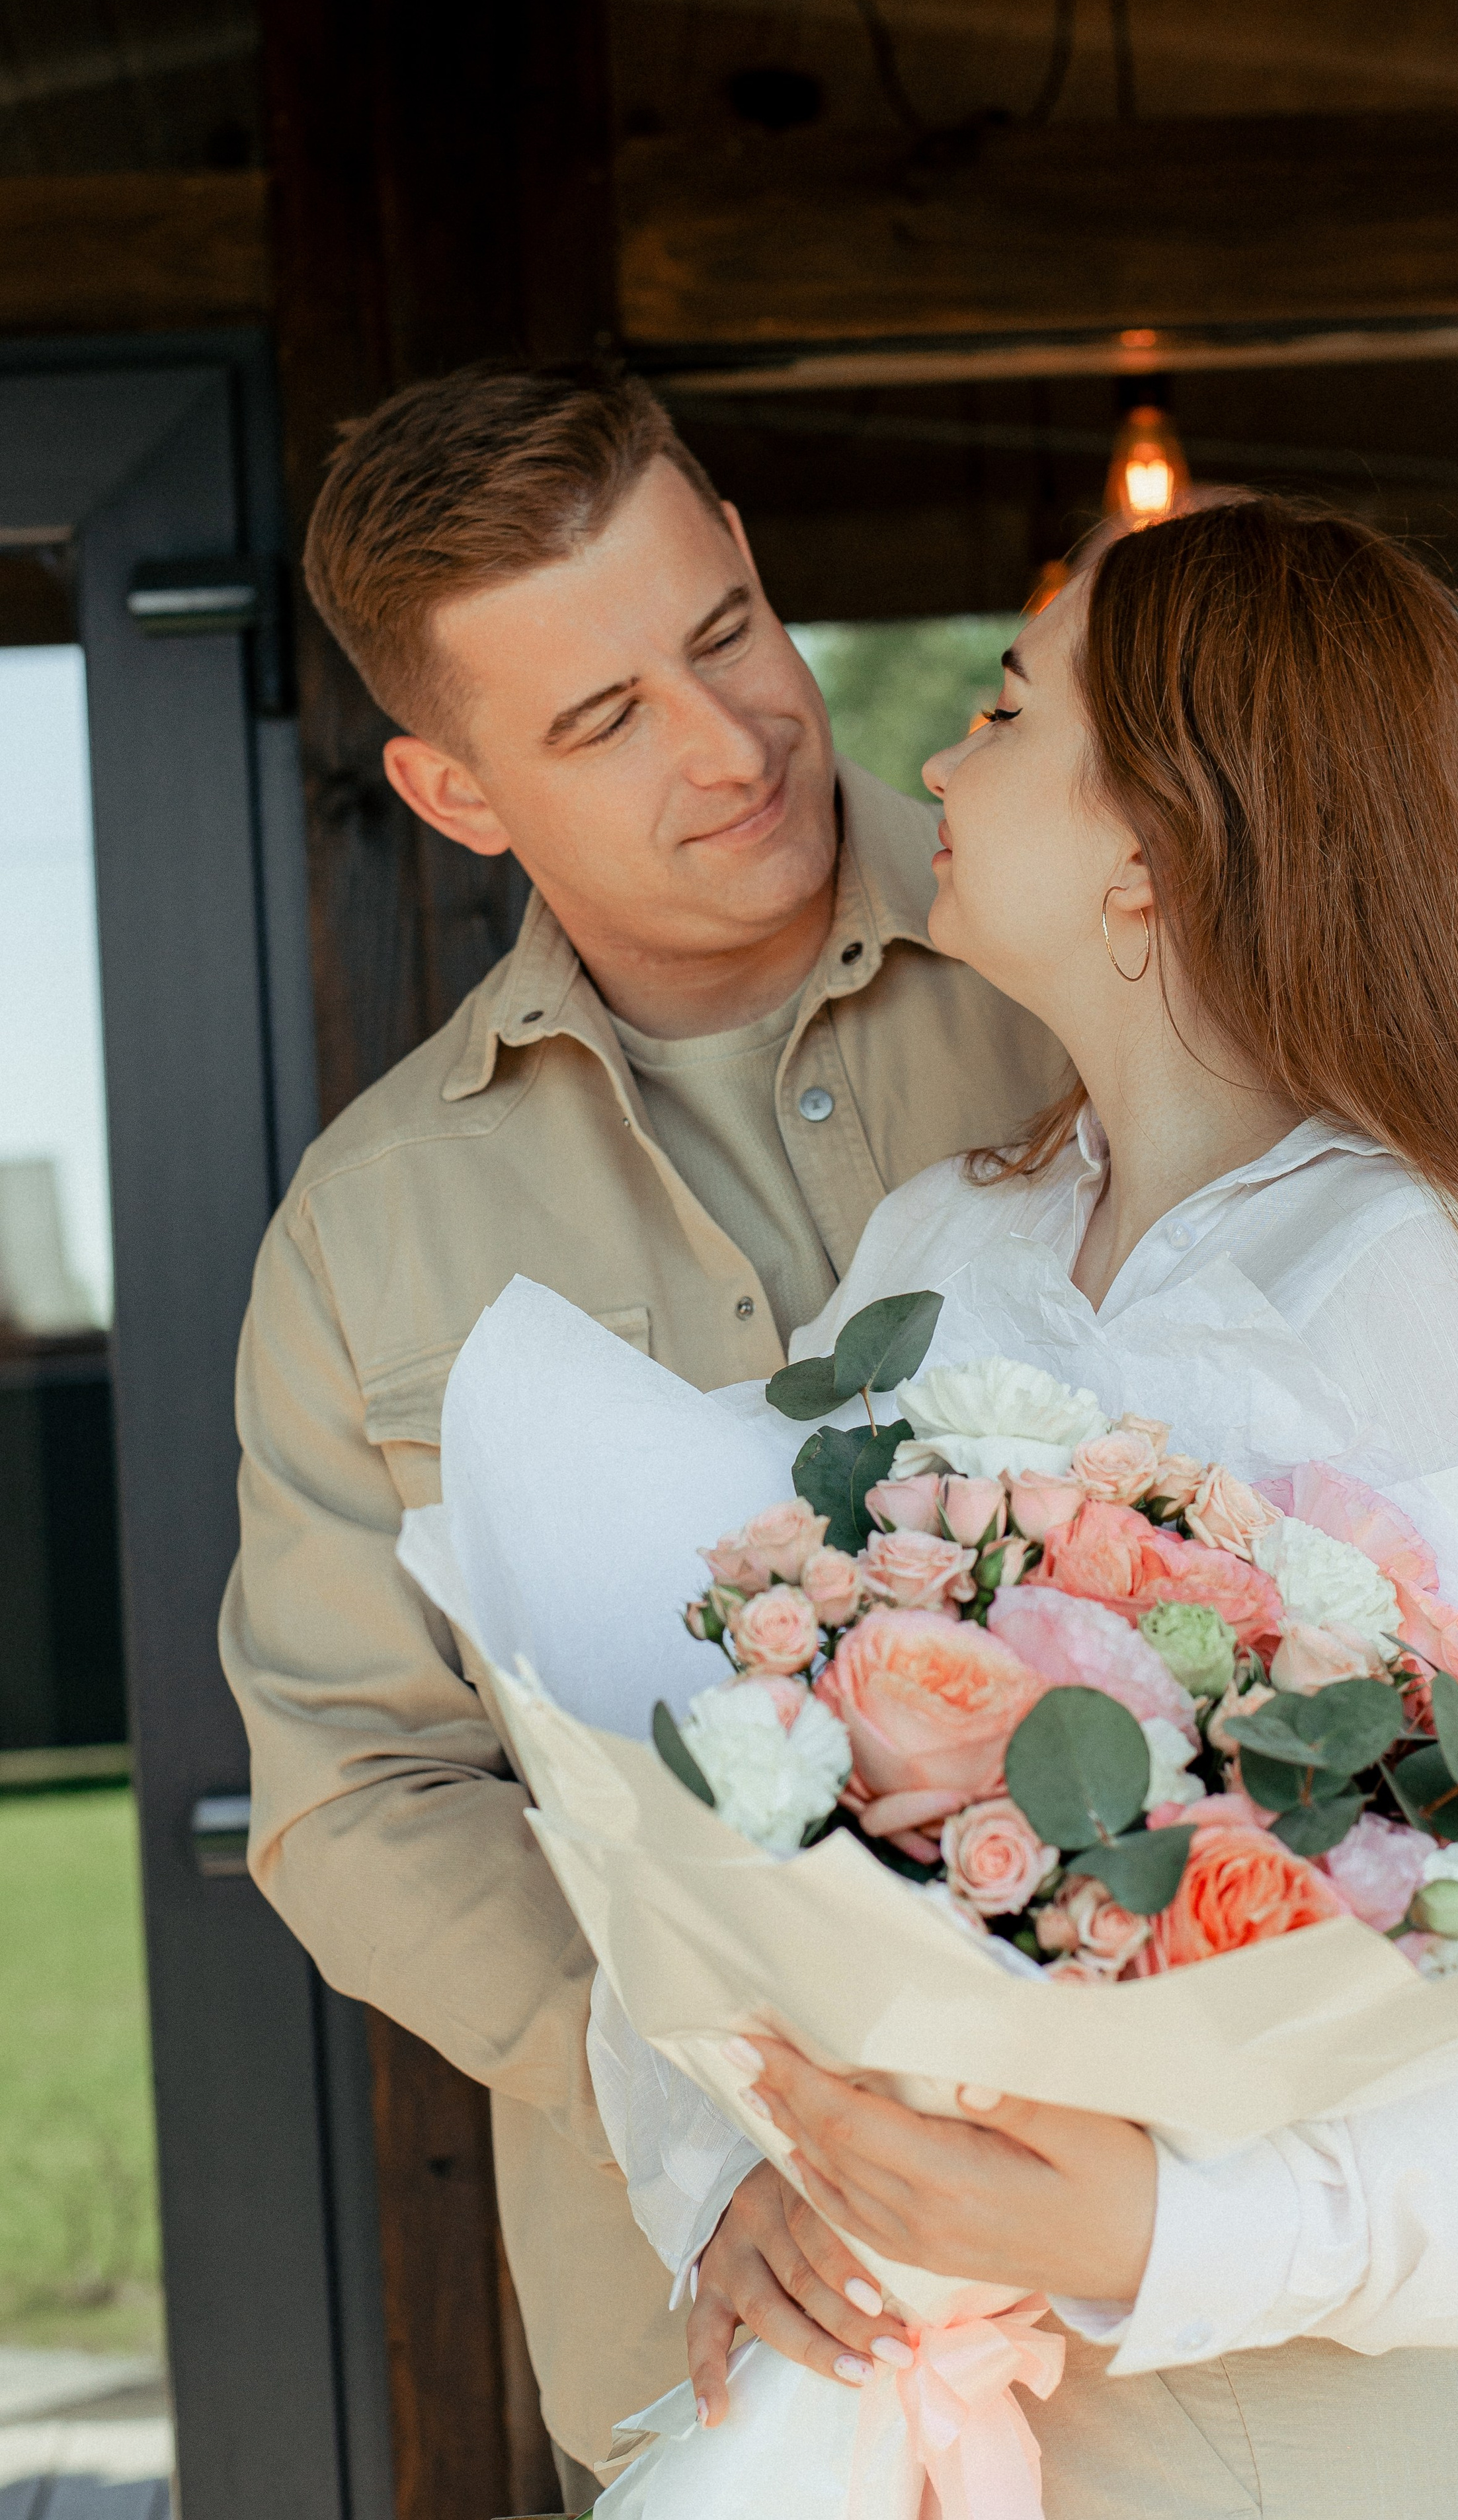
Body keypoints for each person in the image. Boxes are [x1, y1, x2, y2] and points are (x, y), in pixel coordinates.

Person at [673, 499, 1458, 2514]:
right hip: (907, 2388)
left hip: (1283, 2424)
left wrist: (1154, 2227)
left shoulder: (1432, 1289)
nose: (941, 764)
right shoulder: (933, 1251)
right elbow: (710, 1767)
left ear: (1152, 840)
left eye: (1003, 707)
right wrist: (737, 2178)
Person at [218, 363, 1067, 2494]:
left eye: (729, 630)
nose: (733, 740)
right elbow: (349, 1789)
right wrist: (720, 2107)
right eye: (602, 721)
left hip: (1222, 2289)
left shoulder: (1105, 955)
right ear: (453, 791)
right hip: (732, 2342)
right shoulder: (364, 1233)